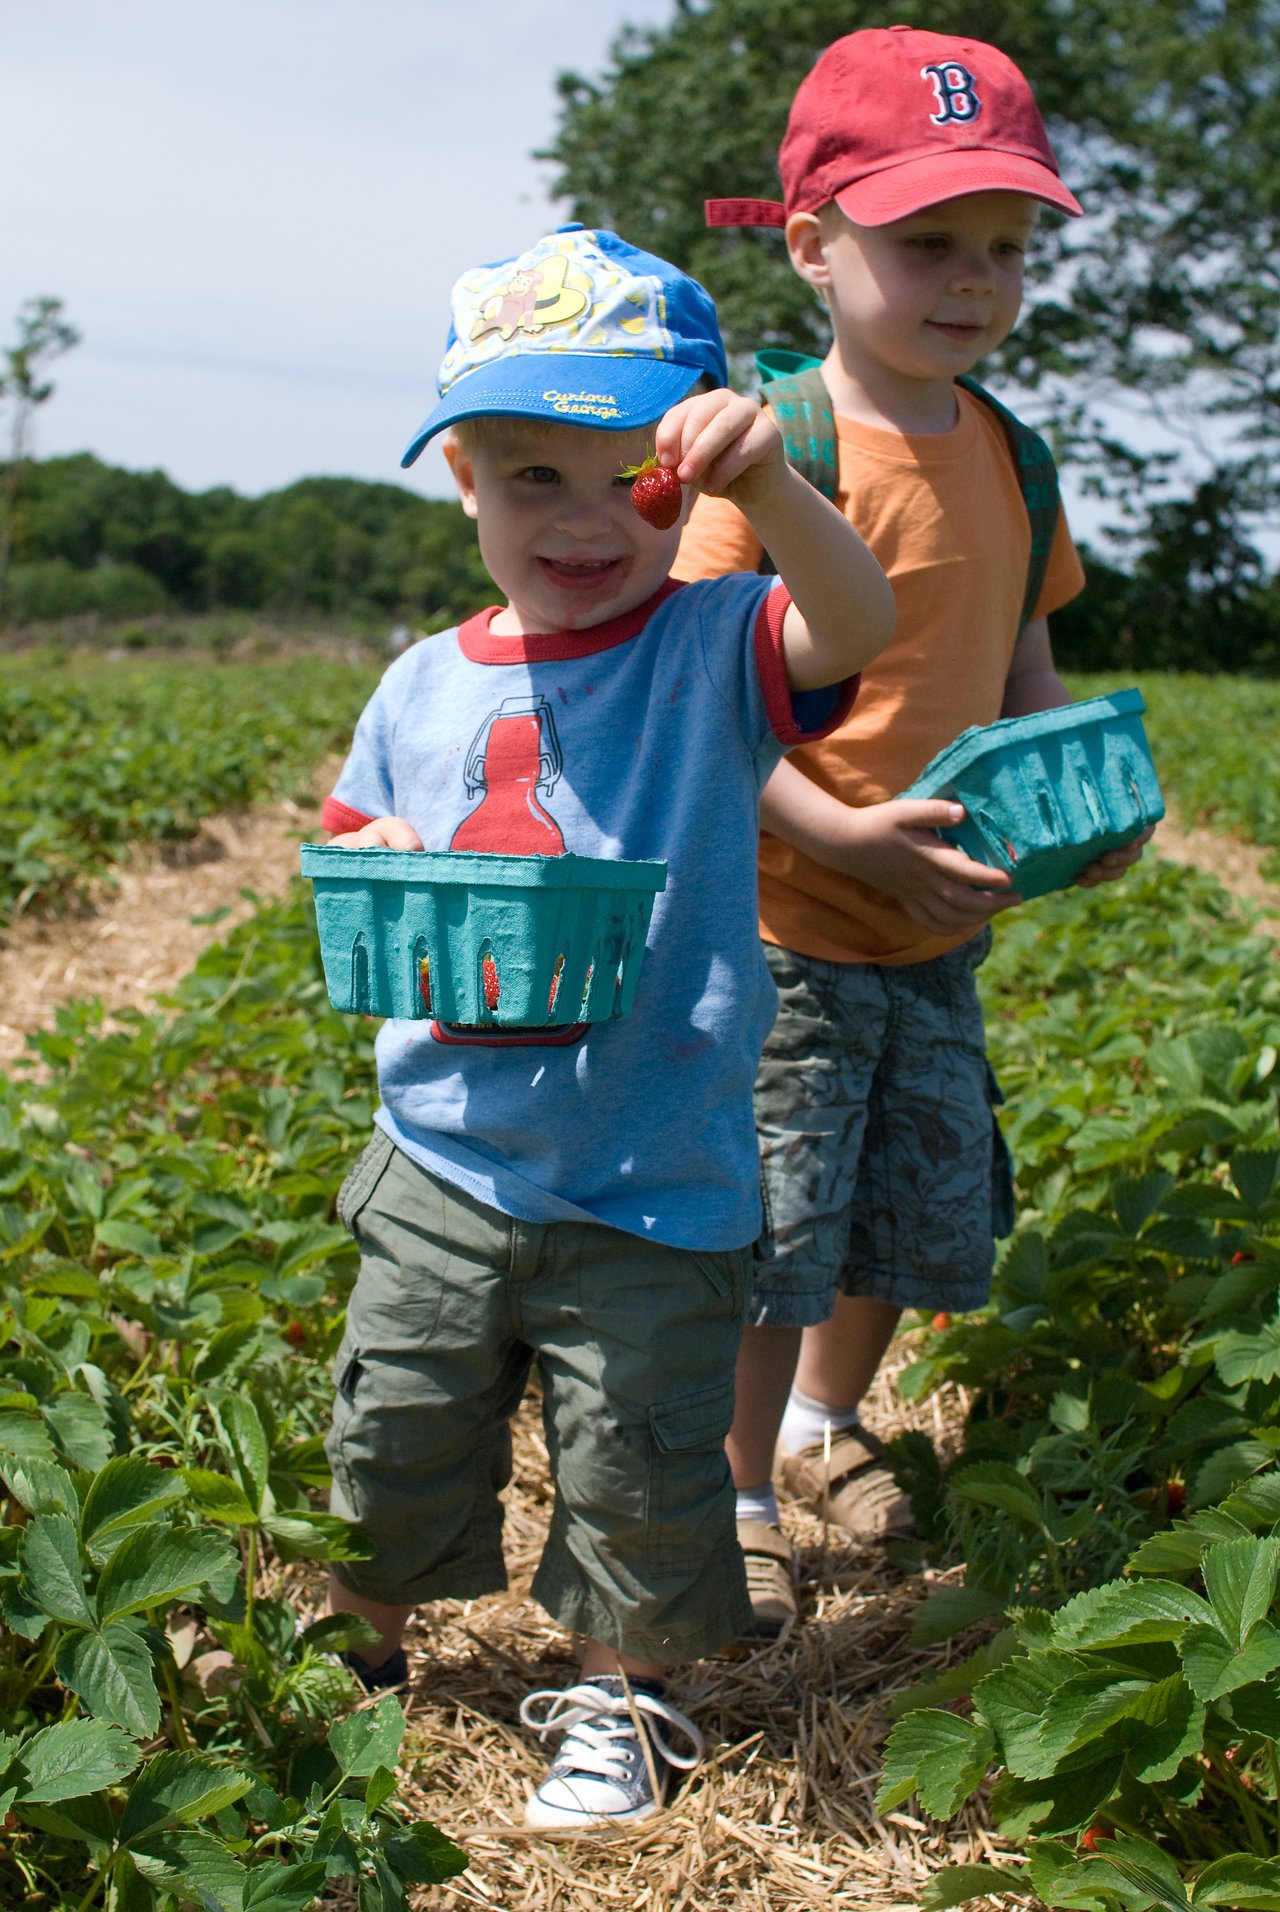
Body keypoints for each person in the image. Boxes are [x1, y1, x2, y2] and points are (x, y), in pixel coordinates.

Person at [316, 223, 894, 1830]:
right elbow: (362, 828)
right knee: (396, 1416)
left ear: (688, 480)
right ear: (465, 489)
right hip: (445, 1150)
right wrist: (365, 859)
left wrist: (775, 491)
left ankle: (629, 1695)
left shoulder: (712, 646)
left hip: (652, 1167)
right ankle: (359, 1648)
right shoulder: (420, 681)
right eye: (528, 479)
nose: (578, 522)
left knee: (639, 1457)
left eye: (625, 479)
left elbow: (856, 626)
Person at [674, 25, 1152, 1639]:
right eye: (927, 240)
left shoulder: (1015, 454)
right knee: (772, 1221)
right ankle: (735, 1487)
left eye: (1006, 247)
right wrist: (850, 838)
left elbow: (1026, 665)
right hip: (783, 920)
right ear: (813, 246)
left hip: (941, 918)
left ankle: (822, 1427)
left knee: (909, 1196)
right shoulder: (767, 451)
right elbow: (701, 714)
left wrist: (1089, 801)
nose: (974, 278)